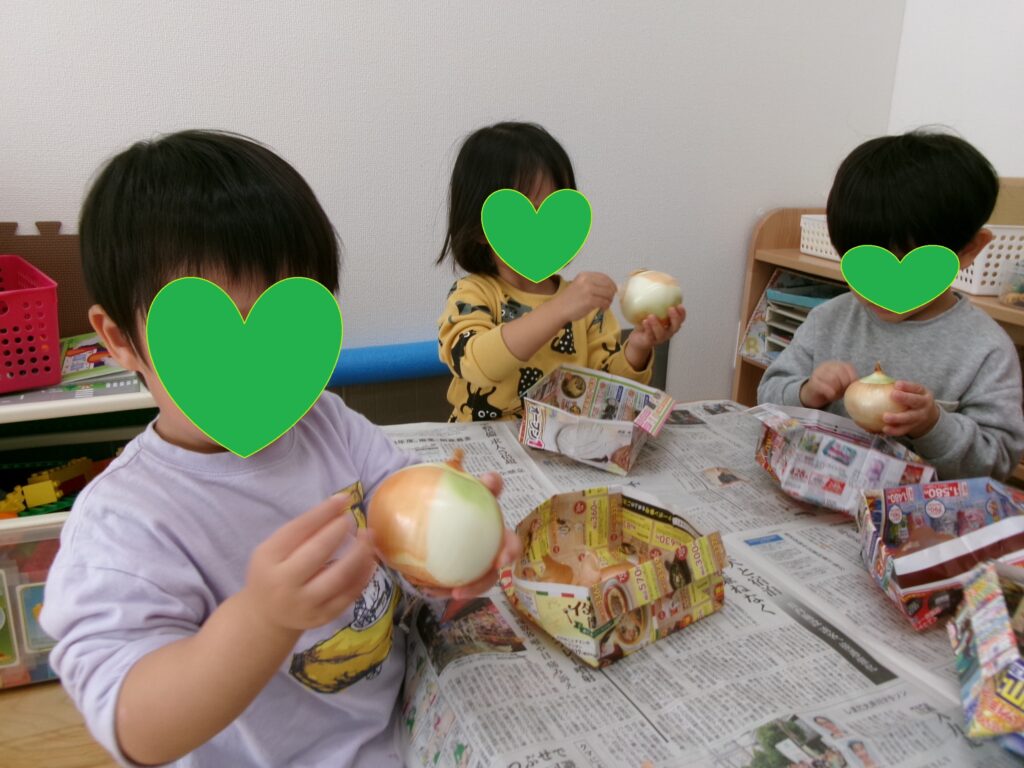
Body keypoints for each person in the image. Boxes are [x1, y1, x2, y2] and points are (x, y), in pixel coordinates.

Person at [39, 130, 519, 768]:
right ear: (121, 339)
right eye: (209, 342)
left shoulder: (325, 423)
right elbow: (135, 722)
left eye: (285, 332)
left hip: (397, 732)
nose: (258, 371)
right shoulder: (125, 522)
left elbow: (397, 498)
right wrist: (262, 622)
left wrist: (453, 539)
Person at [758, 130, 1024, 480]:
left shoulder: (986, 349)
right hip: (820, 489)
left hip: (921, 507)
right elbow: (768, 393)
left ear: (970, 249)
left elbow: (998, 459)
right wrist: (806, 392)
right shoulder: (829, 319)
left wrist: (932, 424)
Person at [436, 121, 685, 421]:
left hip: (562, 442)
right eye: (525, 213)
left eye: (554, 212)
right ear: (480, 228)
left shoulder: (587, 308)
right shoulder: (473, 295)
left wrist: (638, 347)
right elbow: (476, 364)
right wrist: (559, 310)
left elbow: (607, 395)